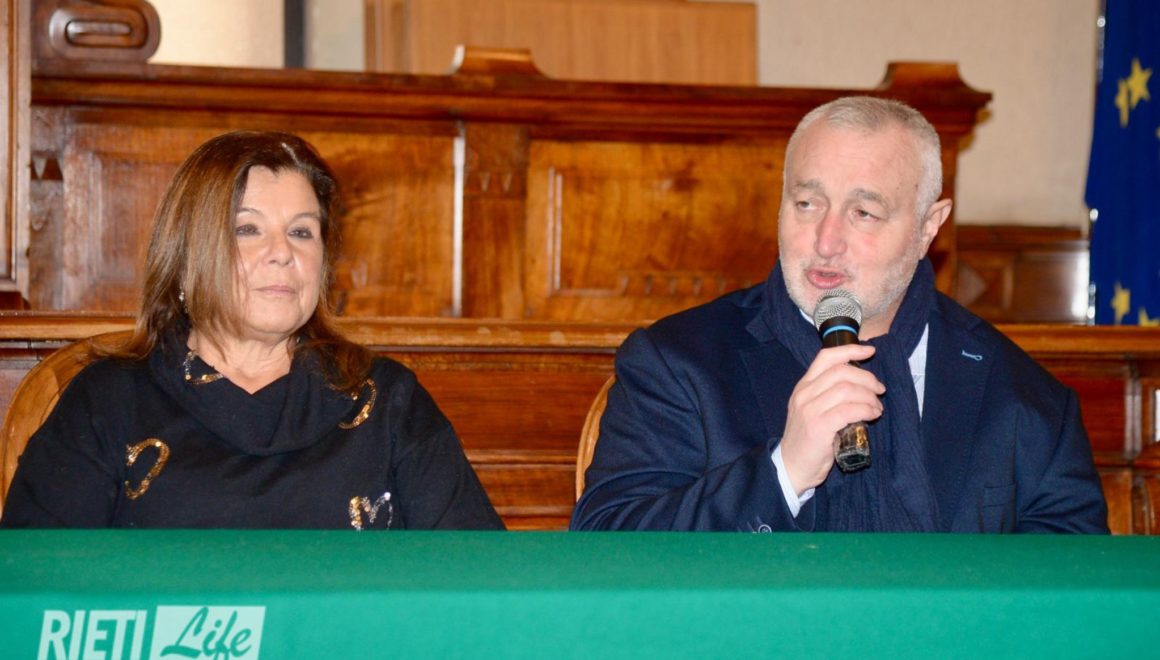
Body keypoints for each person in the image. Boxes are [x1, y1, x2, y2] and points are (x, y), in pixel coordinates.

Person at [571, 97, 1108, 533]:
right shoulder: (678, 363)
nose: (826, 241)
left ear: (928, 226)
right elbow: (610, 545)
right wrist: (784, 472)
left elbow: (1073, 594)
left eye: (864, 213)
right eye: (807, 204)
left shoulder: (1022, 396)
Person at [1, 130, 504, 530]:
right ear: (187, 256)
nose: (283, 252)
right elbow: (35, 590)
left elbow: (480, 581)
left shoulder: (389, 401)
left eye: (302, 231)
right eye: (248, 229)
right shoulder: (106, 402)